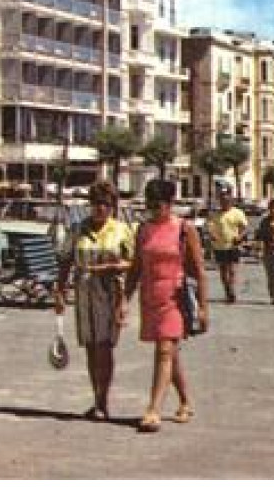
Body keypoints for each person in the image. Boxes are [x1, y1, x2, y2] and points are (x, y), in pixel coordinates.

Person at [124, 178, 207, 433]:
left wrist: (203, 308)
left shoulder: (184, 229)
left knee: (163, 351)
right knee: (170, 353)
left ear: (170, 203)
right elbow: (136, 267)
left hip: (175, 297)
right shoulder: (144, 230)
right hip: (151, 297)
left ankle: (153, 409)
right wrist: (124, 299)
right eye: (149, 205)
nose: (153, 209)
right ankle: (185, 400)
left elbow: (199, 271)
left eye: (158, 204)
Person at [54, 180, 132, 421]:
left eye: (105, 204)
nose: (100, 209)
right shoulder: (78, 229)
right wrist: (59, 290)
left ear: (113, 207)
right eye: (96, 203)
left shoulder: (122, 230)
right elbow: (65, 259)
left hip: (110, 294)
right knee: (90, 347)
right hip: (84, 292)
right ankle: (96, 397)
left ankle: (103, 400)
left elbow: (134, 262)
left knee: (105, 347)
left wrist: (113, 266)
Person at [205, 188, 249, 303]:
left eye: (226, 199)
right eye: (222, 200)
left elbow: (244, 228)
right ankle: (227, 290)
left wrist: (240, 237)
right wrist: (212, 234)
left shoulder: (238, 213)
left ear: (231, 200)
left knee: (233, 270)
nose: (224, 202)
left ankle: (232, 290)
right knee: (223, 271)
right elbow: (209, 227)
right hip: (219, 246)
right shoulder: (215, 214)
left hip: (233, 245)